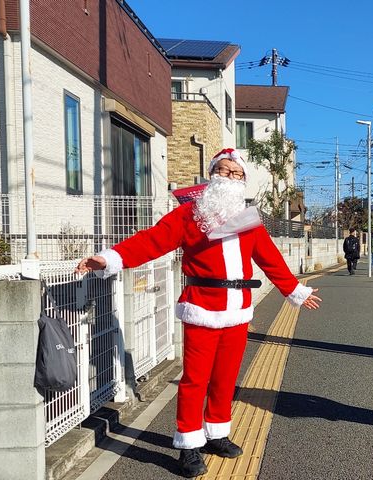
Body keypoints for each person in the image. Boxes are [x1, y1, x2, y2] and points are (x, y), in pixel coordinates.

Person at [75, 148, 322, 477]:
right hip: (201, 306)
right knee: (195, 379)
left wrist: (295, 290)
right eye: (224, 171)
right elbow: (153, 240)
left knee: (225, 378)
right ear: (212, 175)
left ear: (243, 181)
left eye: (236, 173)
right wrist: (110, 258)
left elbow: (270, 259)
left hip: (237, 309)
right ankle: (188, 444)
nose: (230, 177)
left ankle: (216, 434)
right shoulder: (190, 215)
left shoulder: (249, 220)